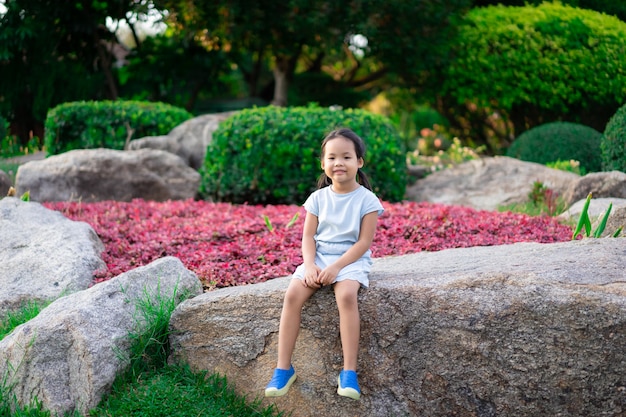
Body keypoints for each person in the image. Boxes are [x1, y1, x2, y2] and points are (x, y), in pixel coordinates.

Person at [264, 128, 384, 401]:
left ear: (359, 162)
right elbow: (308, 236)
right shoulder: (318, 198)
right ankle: (283, 368)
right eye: (332, 157)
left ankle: (349, 373)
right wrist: (310, 265)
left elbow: (364, 243)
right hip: (318, 257)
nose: (338, 163)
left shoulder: (367, 200)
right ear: (323, 164)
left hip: (350, 259)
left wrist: (336, 269)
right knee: (293, 294)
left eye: (346, 157)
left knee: (346, 295)